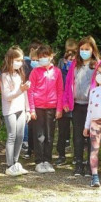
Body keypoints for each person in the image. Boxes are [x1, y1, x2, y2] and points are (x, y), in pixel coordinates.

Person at [63, 36, 101, 177]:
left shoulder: (98, 65)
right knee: (78, 136)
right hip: (77, 105)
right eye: (82, 49)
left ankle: (90, 165)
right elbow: (68, 84)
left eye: (87, 49)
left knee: (92, 136)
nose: (84, 51)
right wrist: (66, 102)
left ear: (93, 49)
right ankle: (78, 164)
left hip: (92, 107)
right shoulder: (75, 64)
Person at [28, 45, 63, 173]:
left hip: (52, 108)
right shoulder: (35, 72)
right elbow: (30, 91)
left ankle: (47, 161)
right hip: (37, 107)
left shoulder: (57, 72)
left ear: (51, 56)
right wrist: (31, 109)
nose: (43, 59)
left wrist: (59, 109)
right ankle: (39, 161)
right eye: (40, 57)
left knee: (49, 135)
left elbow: (60, 90)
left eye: (45, 56)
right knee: (39, 135)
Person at [0, 46, 30, 176]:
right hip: (10, 110)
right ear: (10, 60)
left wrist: (27, 109)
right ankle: (9, 165)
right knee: (11, 136)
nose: (19, 62)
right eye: (17, 60)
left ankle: (15, 162)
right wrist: (21, 90)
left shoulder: (19, 74)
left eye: (21, 60)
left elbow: (25, 94)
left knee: (20, 136)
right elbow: (7, 96)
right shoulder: (4, 76)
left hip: (21, 109)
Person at [55, 48, 76, 165]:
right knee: (62, 132)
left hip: (76, 106)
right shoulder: (60, 73)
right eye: (70, 60)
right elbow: (60, 90)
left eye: (74, 60)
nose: (71, 62)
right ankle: (61, 155)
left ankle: (77, 156)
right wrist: (63, 103)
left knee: (77, 133)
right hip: (64, 107)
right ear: (64, 60)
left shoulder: (78, 73)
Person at [22, 40, 42, 159]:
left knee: (40, 129)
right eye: (33, 60)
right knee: (30, 126)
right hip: (29, 99)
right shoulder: (25, 64)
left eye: (37, 60)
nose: (34, 62)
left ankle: (39, 151)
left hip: (41, 101)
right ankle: (30, 149)